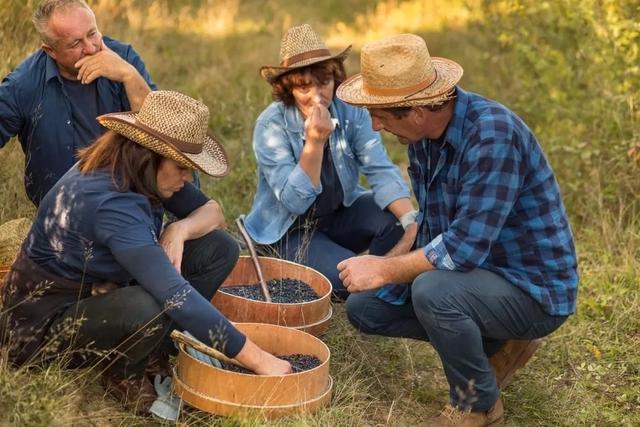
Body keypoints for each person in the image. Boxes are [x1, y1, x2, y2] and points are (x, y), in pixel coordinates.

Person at [336, 34, 578, 426]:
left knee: (433, 291)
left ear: (416, 110)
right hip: (479, 277)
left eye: (381, 115)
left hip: (532, 287)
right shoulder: (423, 138)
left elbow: (461, 249)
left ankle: (476, 404)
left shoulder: (492, 135)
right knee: (366, 308)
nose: (375, 125)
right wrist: (383, 263)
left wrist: (383, 269)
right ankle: (501, 345)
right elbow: (432, 225)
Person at [0, 90, 292, 415]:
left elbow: (214, 213)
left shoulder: (138, 170)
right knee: (152, 303)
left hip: (96, 291)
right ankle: (122, 370)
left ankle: (156, 345)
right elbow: (176, 296)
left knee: (219, 247)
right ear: (148, 154)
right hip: (42, 329)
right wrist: (260, 360)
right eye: (182, 166)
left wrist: (178, 229)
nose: (188, 177)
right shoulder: (112, 202)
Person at [243, 24, 416, 300]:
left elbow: (379, 168)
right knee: (346, 278)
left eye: (323, 83)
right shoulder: (270, 125)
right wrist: (314, 143)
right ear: (288, 89)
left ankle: (382, 277)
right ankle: (365, 283)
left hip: (338, 215)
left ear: (335, 78)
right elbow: (294, 202)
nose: (317, 96)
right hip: (291, 232)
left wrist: (410, 221)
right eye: (303, 87)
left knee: (395, 218)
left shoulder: (349, 110)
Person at [0, 0, 156, 206]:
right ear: (50, 51)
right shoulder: (23, 85)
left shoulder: (124, 58)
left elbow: (162, 136)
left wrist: (129, 75)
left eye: (92, 33)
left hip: (129, 194)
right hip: (65, 209)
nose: (91, 48)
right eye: (75, 44)